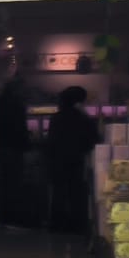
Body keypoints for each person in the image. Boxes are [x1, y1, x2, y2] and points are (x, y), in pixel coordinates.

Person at [45, 85, 100, 234]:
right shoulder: (84, 119)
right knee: (77, 193)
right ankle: (77, 225)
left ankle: (57, 224)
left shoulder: (56, 118)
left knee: (59, 193)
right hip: (77, 161)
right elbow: (94, 140)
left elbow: (51, 142)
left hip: (58, 161)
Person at [0, 77, 30, 226]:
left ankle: (5, 215)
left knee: (6, 182)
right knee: (14, 183)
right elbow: (21, 129)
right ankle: (13, 216)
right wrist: (27, 144)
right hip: (14, 148)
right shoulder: (17, 105)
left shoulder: (0, 103)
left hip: (4, 147)